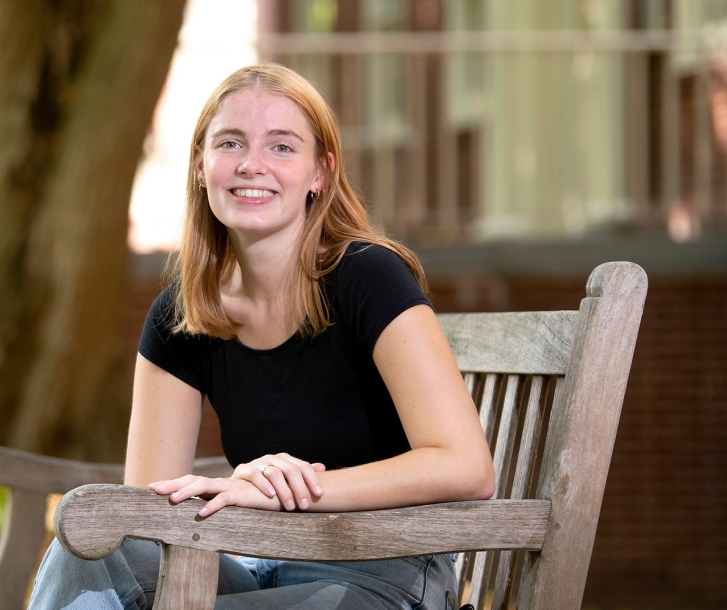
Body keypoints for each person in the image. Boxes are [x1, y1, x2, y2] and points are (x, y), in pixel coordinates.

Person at [27, 64, 494, 609]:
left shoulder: (369, 278)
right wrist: (250, 488)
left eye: (282, 147)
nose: (252, 165)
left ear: (320, 172)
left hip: (378, 573)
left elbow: (466, 466)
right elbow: (144, 516)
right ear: (201, 166)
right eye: (230, 143)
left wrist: (284, 491)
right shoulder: (181, 316)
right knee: (93, 543)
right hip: (257, 559)